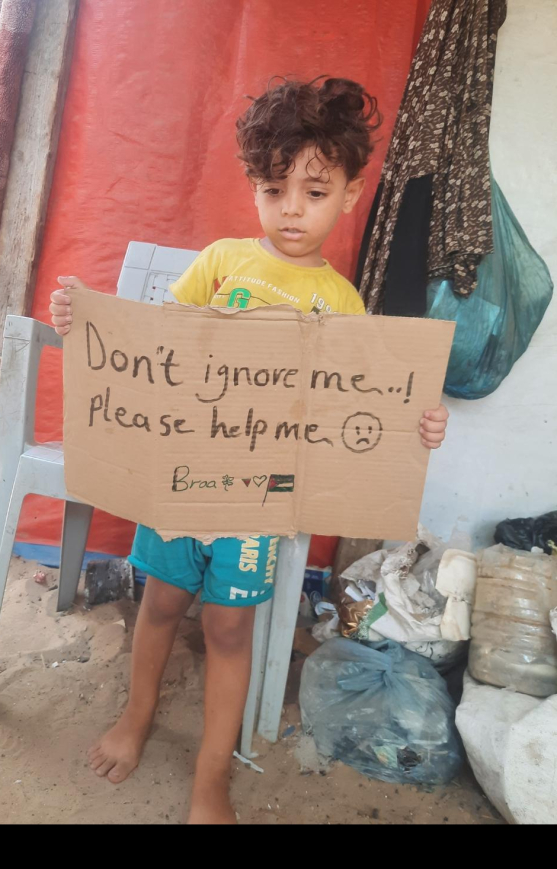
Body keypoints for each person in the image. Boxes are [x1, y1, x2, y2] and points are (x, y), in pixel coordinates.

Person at [49, 77, 449, 824]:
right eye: (273, 188)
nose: (291, 209)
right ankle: (137, 718)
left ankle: (211, 779)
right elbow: (146, 349)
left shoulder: (345, 304)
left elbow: (363, 411)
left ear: (351, 194)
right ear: (255, 186)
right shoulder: (222, 262)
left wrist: (415, 429)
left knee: (230, 628)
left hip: (261, 502)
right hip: (180, 484)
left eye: (315, 190)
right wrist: (84, 319)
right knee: (160, 601)